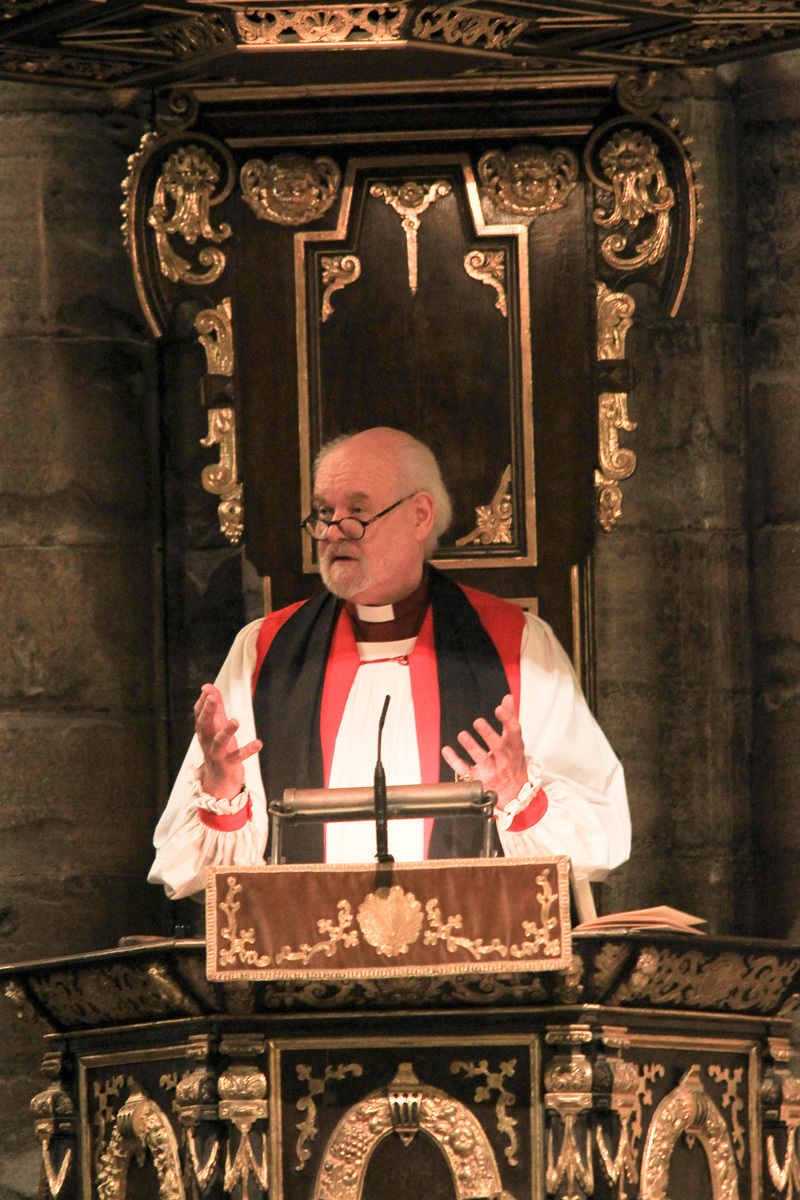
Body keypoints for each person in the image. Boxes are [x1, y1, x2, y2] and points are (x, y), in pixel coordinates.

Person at [149, 427, 630, 899]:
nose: (333, 531)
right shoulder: (265, 652)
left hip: (470, 962)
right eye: (323, 513)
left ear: (420, 516)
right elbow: (199, 872)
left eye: (356, 512)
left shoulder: (515, 646)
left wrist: (516, 791)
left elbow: (598, 840)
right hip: (309, 962)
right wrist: (223, 793)